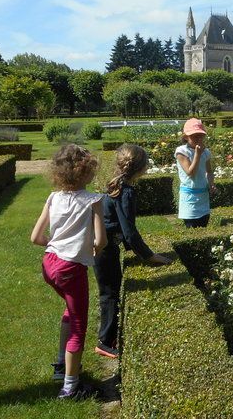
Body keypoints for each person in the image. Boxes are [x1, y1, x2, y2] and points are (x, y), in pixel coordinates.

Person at [30, 144, 106, 400]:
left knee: (69, 309)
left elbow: (36, 237)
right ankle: (70, 387)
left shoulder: (53, 198)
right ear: (87, 172)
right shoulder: (93, 200)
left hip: (49, 264)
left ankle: (63, 363)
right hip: (71, 269)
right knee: (78, 325)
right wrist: (91, 251)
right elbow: (101, 240)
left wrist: (56, 245)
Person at [93, 145, 171, 359]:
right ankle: (104, 341)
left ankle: (108, 337)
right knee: (109, 293)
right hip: (103, 248)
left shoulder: (117, 184)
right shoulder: (126, 191)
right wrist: (149, 255)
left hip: (104, 247)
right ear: (142, 168)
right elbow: (129, 232)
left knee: (112, 289)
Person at [175, 118, 216, 228]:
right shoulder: (181, 151)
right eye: (194, 136)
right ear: (186, 137)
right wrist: (197, 154)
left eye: (200, 135)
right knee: (191, 227)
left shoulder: (206, 152)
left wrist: (211, 184)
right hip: (189, 198)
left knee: (204, 225)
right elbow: (190, 173)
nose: (198, 138)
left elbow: (209, 171)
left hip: (203, 196)